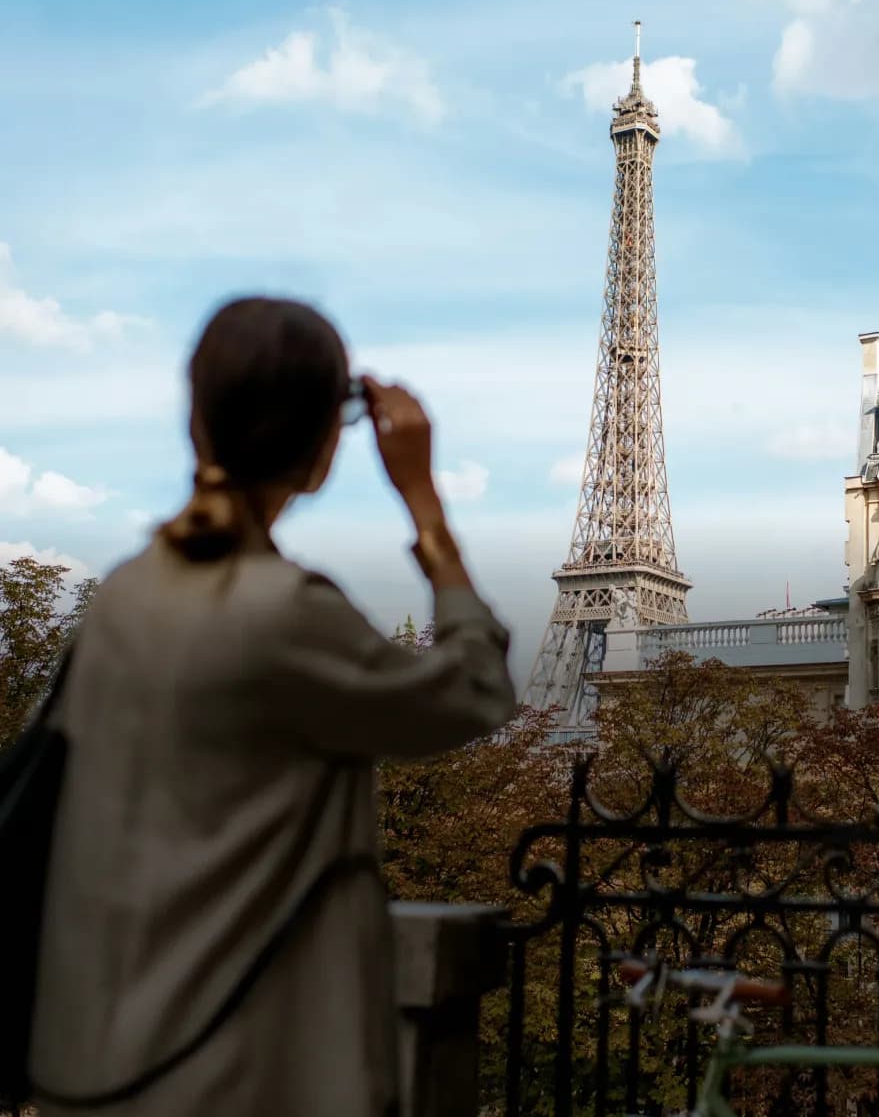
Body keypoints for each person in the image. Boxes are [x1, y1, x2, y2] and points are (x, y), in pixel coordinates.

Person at [28, 297, 516, 1116]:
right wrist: (425, 503)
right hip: (234, 1069)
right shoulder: (287, 615)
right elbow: (475, 689)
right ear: (327, 449)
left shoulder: (121, 596)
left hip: (92, 1065)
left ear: (196, 424)